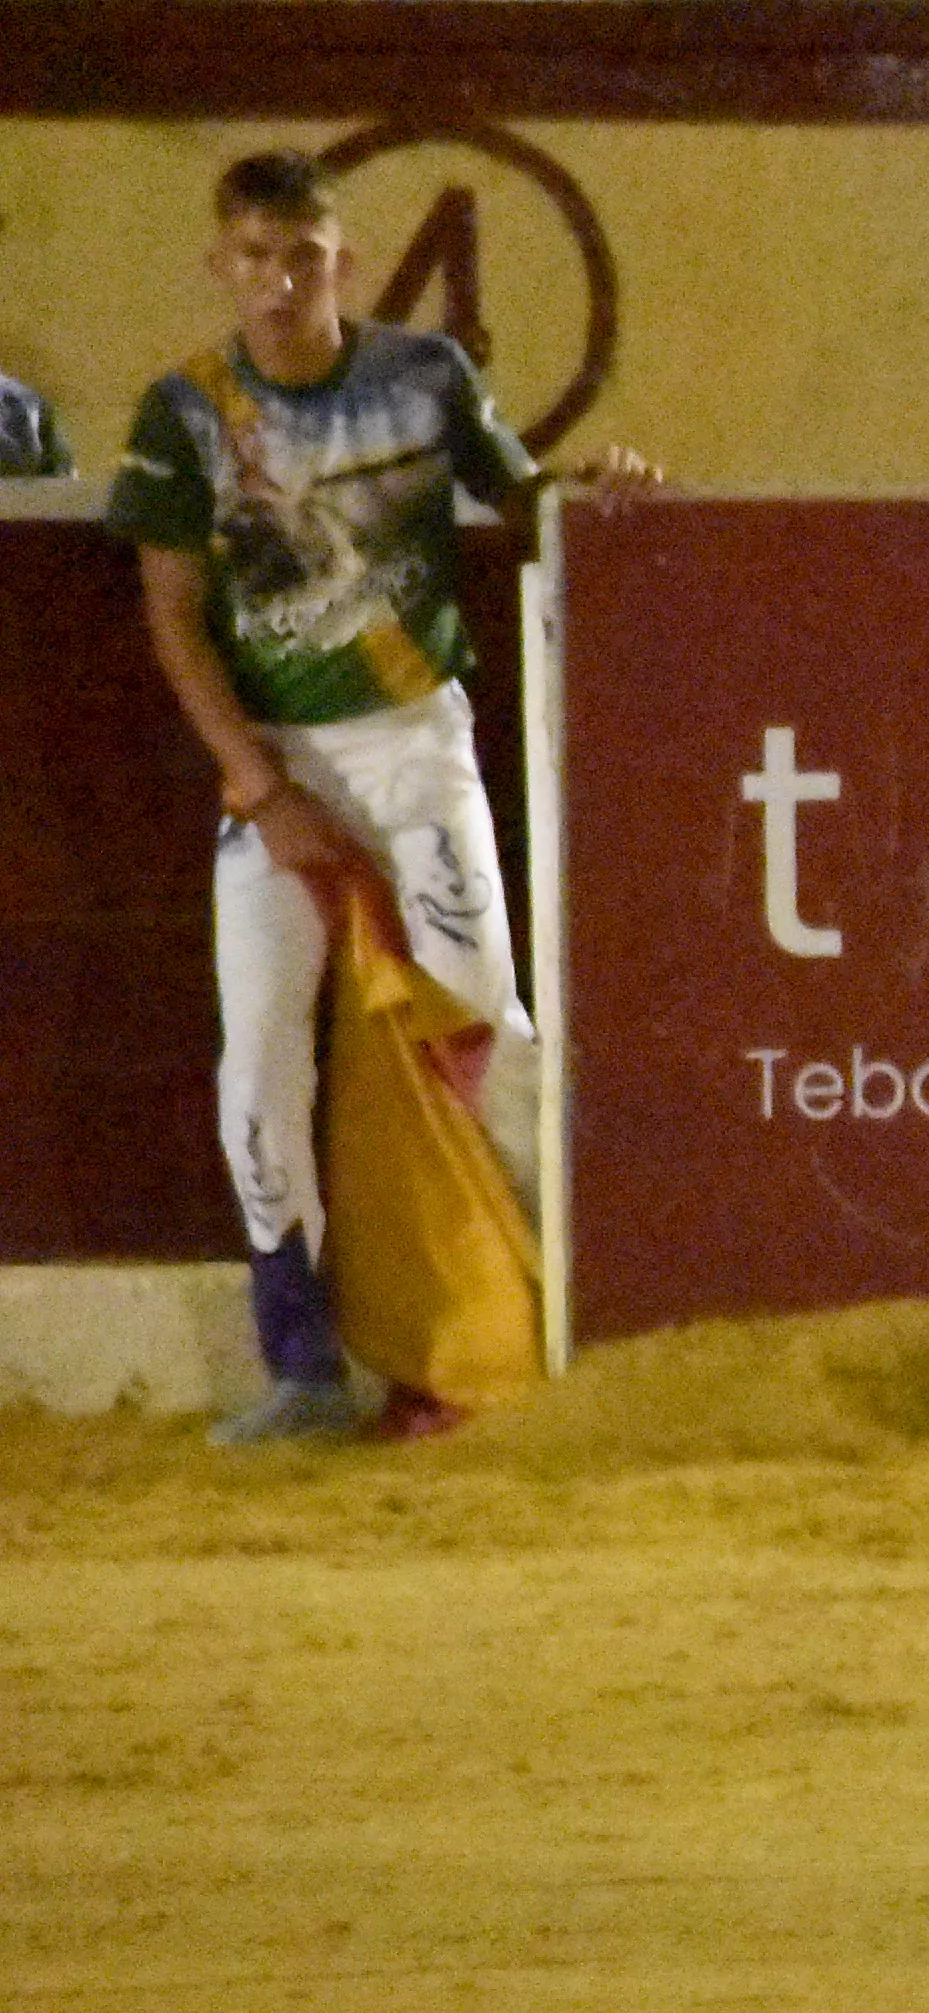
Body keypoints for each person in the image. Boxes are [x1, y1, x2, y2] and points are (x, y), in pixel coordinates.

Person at [110, 148, 650, 1441]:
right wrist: (256, 786)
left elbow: (527, 504)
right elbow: (174, 621)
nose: (282, 283)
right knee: (258, 1060)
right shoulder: (182, 413)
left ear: (341, 260)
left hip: (414, 743)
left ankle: (533, 1326)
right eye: (256, 258)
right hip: (280, 760)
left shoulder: (424, 377)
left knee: (484, 1024)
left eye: (304, 257)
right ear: (219, 264)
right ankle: (302, 1367)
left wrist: (598, 493)